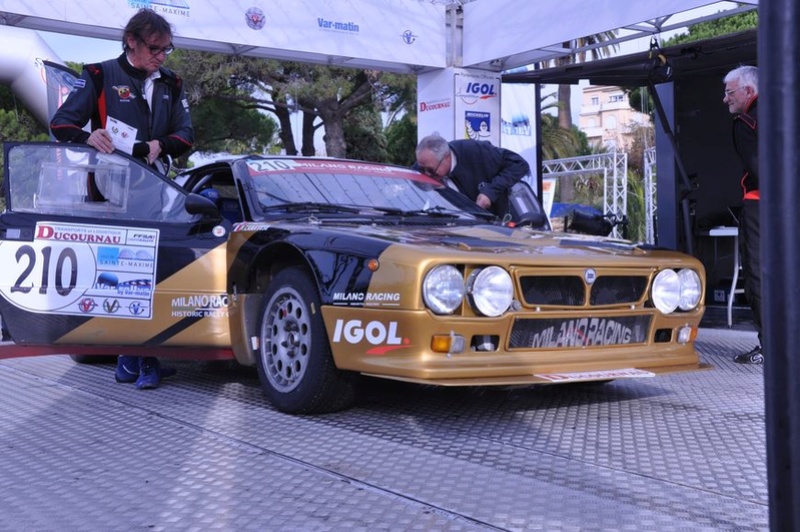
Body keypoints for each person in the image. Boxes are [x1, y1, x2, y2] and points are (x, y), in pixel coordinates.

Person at [50, 8, 195, 387]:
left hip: (156, 192)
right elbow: (61, 123)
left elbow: (186, 135)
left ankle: (133, 359)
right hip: (109, 192)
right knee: (127, 277)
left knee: (150, 276)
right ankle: (138, 358)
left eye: (167, 49)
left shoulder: (172, 83)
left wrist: (157, 146)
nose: (161, 56)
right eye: (155, 48)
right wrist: (88, 137)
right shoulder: (99, 75)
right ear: (131, 40)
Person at [723, 65, 762, 364]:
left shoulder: (744, 122)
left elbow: (759, 169)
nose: (725, 99)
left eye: (729, 92)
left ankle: (769, 346)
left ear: (749, 92)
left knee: (757, 275)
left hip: (760, 207)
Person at [414, 134, 530, 219]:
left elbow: (519, 164)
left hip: (493, 228)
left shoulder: (478, 151)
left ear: (446, 157)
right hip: (451, 231)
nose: (426, 175)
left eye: (430, 170)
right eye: (421, 169)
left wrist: (491, 191)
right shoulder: (425, 165)